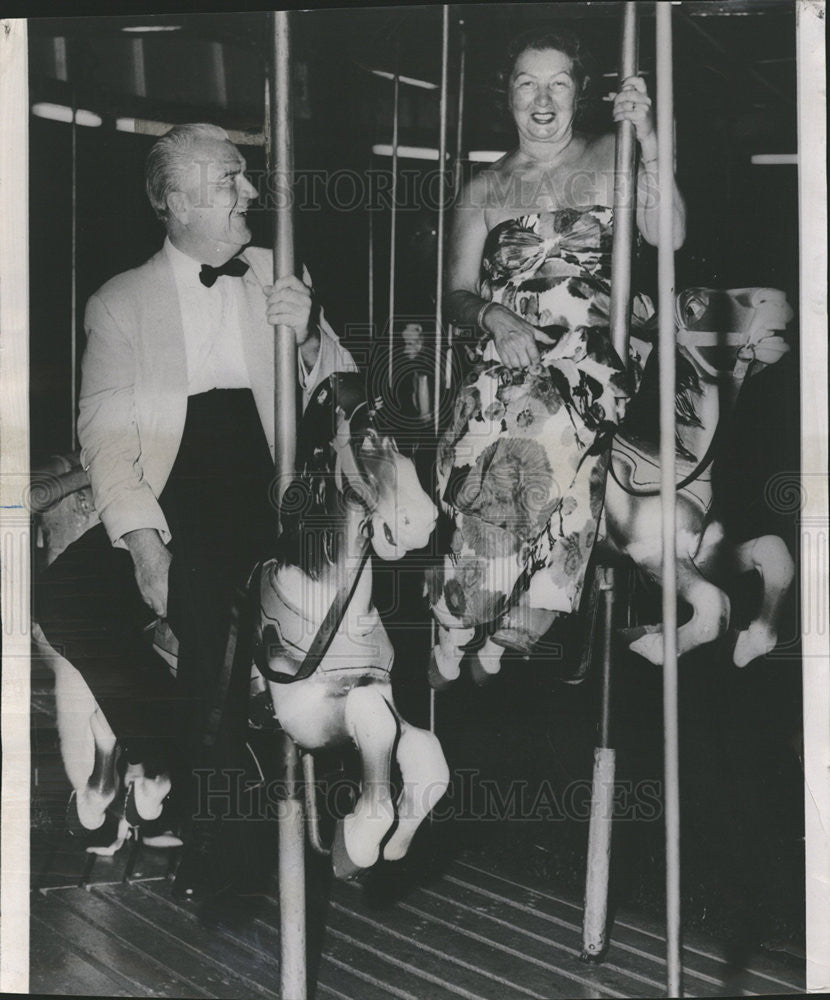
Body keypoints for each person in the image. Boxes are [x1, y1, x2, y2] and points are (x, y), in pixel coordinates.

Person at [35, 122, 356, 897]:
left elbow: (346, 390)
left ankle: (228, 847)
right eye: (228, 181)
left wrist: (310, 336)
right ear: (174, 201)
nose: (251, 192)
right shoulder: (120, 302)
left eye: (246, 177)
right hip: (170, 484)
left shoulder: (279, 271)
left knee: (207, 585)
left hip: (262, 479)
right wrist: (145, 546)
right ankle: (170, 755)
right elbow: (107, 440)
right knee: (66, 592)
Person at [431, 29, 686, 671]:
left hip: (591, 353)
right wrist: (492, 315)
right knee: (484, 446)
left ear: (579, 94)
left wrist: (651, 142)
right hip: (504, 356)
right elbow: (454, 294)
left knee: (549, 411)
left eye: (558, 84)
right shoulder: (484, 188)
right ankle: (497, 600)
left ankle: (482, 600)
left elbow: (669, 234)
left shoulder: (611, 153)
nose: (542, 100)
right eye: (527, 84)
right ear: (508, 97)